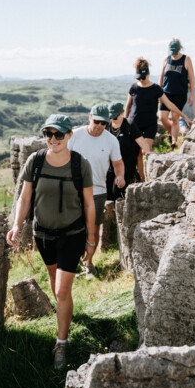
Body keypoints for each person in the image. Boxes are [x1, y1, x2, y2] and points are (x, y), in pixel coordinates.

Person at [6, 114, 96, 370]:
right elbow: (24, 198)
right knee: (56, 285)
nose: (53, 139)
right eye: (49, 134)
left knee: (61, 291)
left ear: (69, 135)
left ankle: (61, 343)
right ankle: (63, 315)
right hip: (43, 235)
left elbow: (89, 204)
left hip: (72, 235)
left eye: (59, 134)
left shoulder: (80, 165)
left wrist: (91, 239)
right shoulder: (35, 162)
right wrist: (16, 225)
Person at [67, 104, 124, 280]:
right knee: (73, 228)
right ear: (90, 117)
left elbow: (118, 164)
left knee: (94, 228)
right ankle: (72, 263)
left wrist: (120, 176)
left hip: (98, 191)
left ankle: (89, 264)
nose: (99, 126)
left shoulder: (111, 140)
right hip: (73, 190)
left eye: (104, 123)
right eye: (97, 121)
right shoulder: (74, 136)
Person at [125, 57, 194, 170]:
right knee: (137, 154)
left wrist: (184, 116)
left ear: (148, 74)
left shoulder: (156, 89)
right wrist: (124, 123)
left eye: (143, 77)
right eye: (138, 78)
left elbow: (170, 105)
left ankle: (152, 171)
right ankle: (141, 179)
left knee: (145, 151)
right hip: (135, 124)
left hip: (150, 124)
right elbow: (128, 107)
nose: (141, 80)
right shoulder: (133, 88)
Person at [158, 38, 195, 146]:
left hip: (180, 94)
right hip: (166, 93)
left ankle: (174, 142)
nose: (173, 54)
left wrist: (192, 94)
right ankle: (171, 134)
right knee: (162, 117)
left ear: (180, 48)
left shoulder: (186, 59)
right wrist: (158, 91)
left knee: (175, 118)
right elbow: (162, 76)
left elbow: (192, 78)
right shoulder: (166, 59)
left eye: (175, 51)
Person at [105, 101, 144, 199]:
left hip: (127, 165)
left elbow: (142, 143)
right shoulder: (106, 126)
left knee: (116, 191)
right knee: (107, 193)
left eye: (115, 117)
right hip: (110, 166)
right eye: (110, 117)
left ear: (121, 113)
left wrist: (149, 152)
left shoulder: (129, 125)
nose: (112, 119)